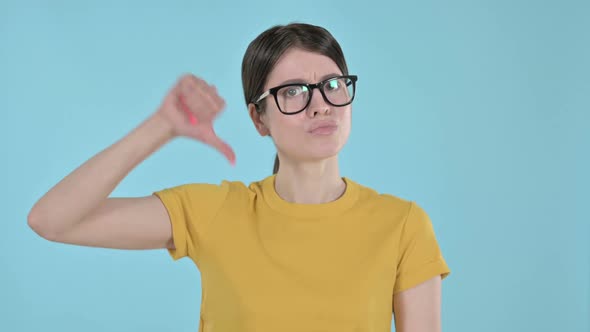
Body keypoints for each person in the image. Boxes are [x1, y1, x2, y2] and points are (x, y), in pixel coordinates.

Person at [28, 22, 451, 332]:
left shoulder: (403, 225)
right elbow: (51, 219)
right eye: (293, 92)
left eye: (332, 84)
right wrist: (162, 126)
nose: (321, 104)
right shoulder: (215, 212)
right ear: (258, 118)